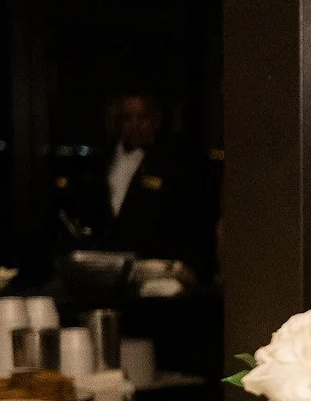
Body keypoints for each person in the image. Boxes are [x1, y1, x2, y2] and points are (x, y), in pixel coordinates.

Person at [62, 90, 211, 270]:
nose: (134, 125)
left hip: (156, 265)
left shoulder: (172, 164)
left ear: (156, 120)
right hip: (108, 265)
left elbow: (190, 219)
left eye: (142, 117)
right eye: (127, 118)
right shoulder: (102, 160)